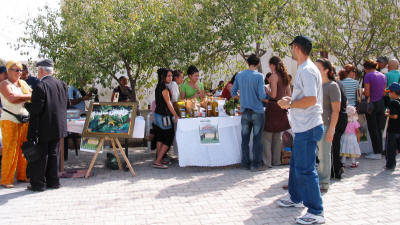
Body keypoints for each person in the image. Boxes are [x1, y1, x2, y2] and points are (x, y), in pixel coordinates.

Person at [277, 36, 325, 224]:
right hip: (304, 126)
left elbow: (311, 100)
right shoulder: (306, 69)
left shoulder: (306, 70)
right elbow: (306, 98)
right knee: (297, 165)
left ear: (296, 48)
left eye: (292, 48)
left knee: (305, 170)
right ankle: (295, 198)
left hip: (308, 127)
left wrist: (290, 104)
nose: (291, 51)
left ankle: (316, 211)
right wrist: (291, 102)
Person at [25, 59, 68, 192]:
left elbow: (37, 110)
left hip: (43, 127)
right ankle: (53, 181)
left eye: (38, 70)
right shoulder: (61, 84)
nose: (37, 73)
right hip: (58, 126)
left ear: (42, 70)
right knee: (54, 154)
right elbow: (66, 104)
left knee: (40, 156)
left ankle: (38, 184)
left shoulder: (40, 86)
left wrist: (26, 105)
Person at [232, 54, 269, 171]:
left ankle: (245, 163)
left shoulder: (239, 75)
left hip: (245, 111)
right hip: (257, 111)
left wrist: (242, 98)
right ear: (258, 64)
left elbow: (233, 93)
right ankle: (256, 164)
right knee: (257, 139)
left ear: (248, 63)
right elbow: (262, 95)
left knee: (245, 139)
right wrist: (267, 90)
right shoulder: (259, 76)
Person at [0, 60, 32, 188]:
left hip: (24, 119)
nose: (19, 73)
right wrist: (26, 96)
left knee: (23, 150)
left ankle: (22, 175)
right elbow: (11, 98)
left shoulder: (23, 83)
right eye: (16, 70)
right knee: (10, 150)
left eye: (20, 70)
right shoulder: (3, 84)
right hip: (9, 120)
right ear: (8, 71)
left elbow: (32, 95)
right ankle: (6, 179)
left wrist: (21, 95)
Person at [315, 58, 341, 192]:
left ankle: (324, 182)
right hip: (315, 124)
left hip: (326, 124)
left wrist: (332, 129)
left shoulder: (332, 86)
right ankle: (318, 180)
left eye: (318, 68)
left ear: (326, 70)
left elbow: (336, 110)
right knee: (317, 155)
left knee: (324, 155)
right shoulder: (317, 85)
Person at [263, 56, 291, 168]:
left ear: (272, 65)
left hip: (273, 105)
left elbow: (273, 94)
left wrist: (267, 90)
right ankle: (276, 161)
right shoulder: (285, 77)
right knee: (277, 135)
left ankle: (267, 162)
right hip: (282, 106)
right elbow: (289, 94)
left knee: (267, 135)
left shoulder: (274, 76)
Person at [153, 68, 179, 169]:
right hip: (164, 116)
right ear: (163, 77)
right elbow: (169, 103)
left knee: (160, 137)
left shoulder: (158, 86)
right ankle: (158, 161)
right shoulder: (164, 88)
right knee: (168, 137)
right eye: (168, 76)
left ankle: (159, 159)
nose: (171, 77)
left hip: (158, 115)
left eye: (171, 76)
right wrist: (176, 115)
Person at [363, 59, 386, 160]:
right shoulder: (383, 75)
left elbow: (367, 93)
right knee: (379, 128)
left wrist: (362, 93)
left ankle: (376, 152)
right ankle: (380, 150)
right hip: (381, 103)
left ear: (366, 67)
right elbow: (384, 92)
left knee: (373, 128)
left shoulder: (368, 76)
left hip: (372, 104)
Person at [384, 83, 400, 170]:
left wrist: (387, 114)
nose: (388, 94)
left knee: (391, 149)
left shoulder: (393, 102)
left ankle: (390, 165)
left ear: (394, 93)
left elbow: (395, 116)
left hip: (393, 130)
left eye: (389, 92)